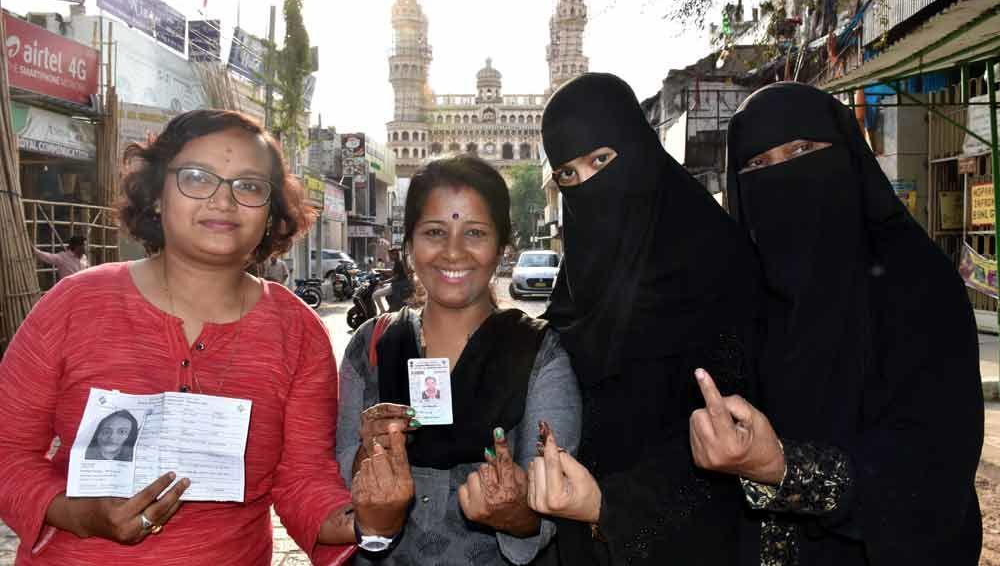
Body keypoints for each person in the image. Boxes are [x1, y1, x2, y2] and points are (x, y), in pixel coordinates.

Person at [0, 110, 412, 565]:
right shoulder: (74, 304)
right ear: (156, 194)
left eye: (250, 186)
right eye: (198, 178)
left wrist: (368, 520)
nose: (224, 200)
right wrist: (75, 514)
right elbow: (7, 453)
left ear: (271, 213)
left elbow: (303, 480)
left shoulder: (297, 332)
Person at [689, 81, 983, 566]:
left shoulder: (915, 283)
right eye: (757, 165)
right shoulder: (740, 300)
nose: (780, 175)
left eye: (801, 150)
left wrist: (787, 468)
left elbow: (929, 468)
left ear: (847, 156)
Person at [525, 73, 763, 565]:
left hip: (691, 543)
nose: (588, 186)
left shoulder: (717, 260)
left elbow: (733, 442)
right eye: (568, 175)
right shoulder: (579, 279)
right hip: (578, 540)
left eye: (601, 160)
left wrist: (612, 509)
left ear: (638, 146)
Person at [337, 155, 582, 565]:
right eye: (435, 232)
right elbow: (340, 474)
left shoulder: (540, 353)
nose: (453, 252)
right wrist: (369, 456)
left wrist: (517, 514)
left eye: (474, 233)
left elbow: (552, 508)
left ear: (503, 246)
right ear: (410, 245)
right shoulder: (372, 344)